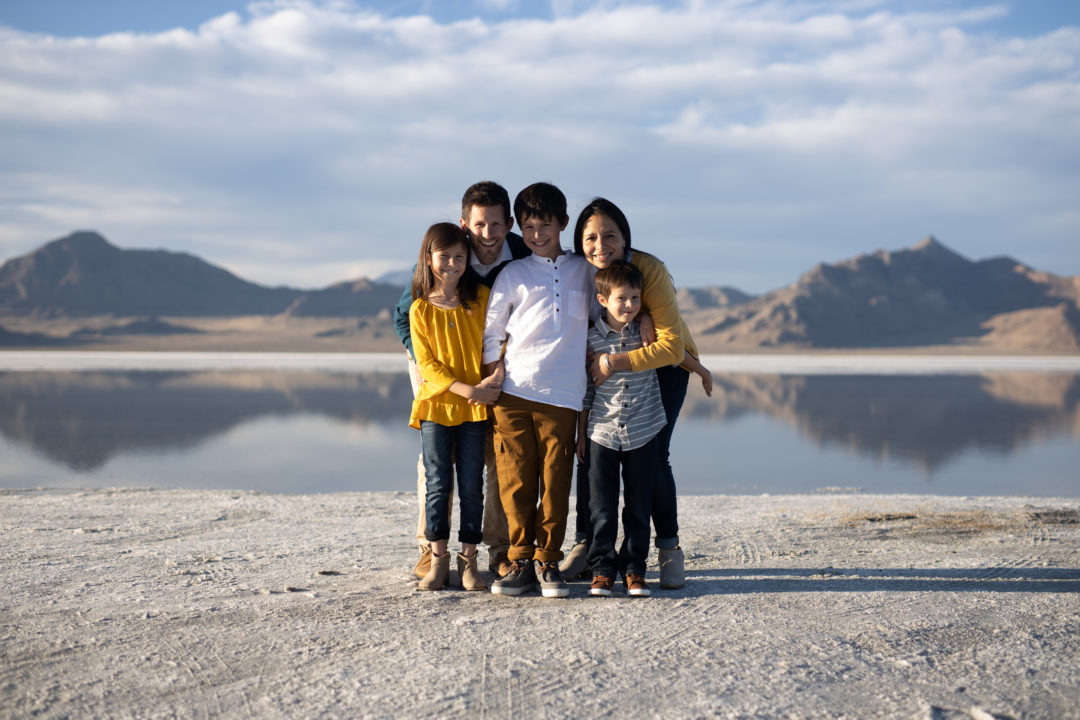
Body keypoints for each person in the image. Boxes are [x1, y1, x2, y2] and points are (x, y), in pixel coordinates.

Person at [563, 197, 713, 590]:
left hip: (663, 366)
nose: (600, 245)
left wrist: (615, 360)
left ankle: (667, 551)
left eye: (609, 235)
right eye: (590, 237)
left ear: (625, 237)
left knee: (654, 459)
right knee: (593, 460)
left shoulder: (650, 270)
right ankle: (589, 548)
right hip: (602, 364)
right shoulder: (580, 268)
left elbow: (670, 348)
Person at [393, 181, 530, 580]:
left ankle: (497, 549)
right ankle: (428, 547)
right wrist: (431, 369)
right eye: (478, 225)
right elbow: (406, 315)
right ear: (464, 224)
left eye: (496, 224)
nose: (487, 234)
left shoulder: (522, 254)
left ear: (509, 224)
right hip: (438, 373)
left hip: (494, 371)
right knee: (434, 465)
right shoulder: (448, 253)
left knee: (495, 459)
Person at [482, 182, 595, 598]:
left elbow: (603, 320)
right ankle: (520, 560)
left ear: (563, 223)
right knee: (516, 481)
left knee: (555, 481)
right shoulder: (513, 274)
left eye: (545, 225)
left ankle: (549, 561)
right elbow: (492, 332)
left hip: (564, 396)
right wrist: (494, 377)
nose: (536, 235)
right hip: (514, 394)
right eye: (528, 227)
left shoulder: (585, 269)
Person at [408, 222, 502, 591]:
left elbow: (496, 342)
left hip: (473, 412)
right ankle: (437, 561)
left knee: (471, 486)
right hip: (436, 408)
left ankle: (469, 563)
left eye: (459, 257)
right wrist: (469, 390)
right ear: (429, 259)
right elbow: (427, 365)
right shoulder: (420, 309)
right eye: (444, 256)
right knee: (437, 485)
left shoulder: (479, 300)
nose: (452, 263)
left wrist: (493, 380)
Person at [577, 261, 667, 598]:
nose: (629, 305)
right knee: (601, 507)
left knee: (638, 505)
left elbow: (673, 351)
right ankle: (601, 570)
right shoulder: (590, 339)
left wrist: (700, 369)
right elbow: (586, 389)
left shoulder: (650, 335)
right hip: (601, 431)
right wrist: (581, 432)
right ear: (603, 300)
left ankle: (634, 570)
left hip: (643, 431)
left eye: (635, 298)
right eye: (621, 299)